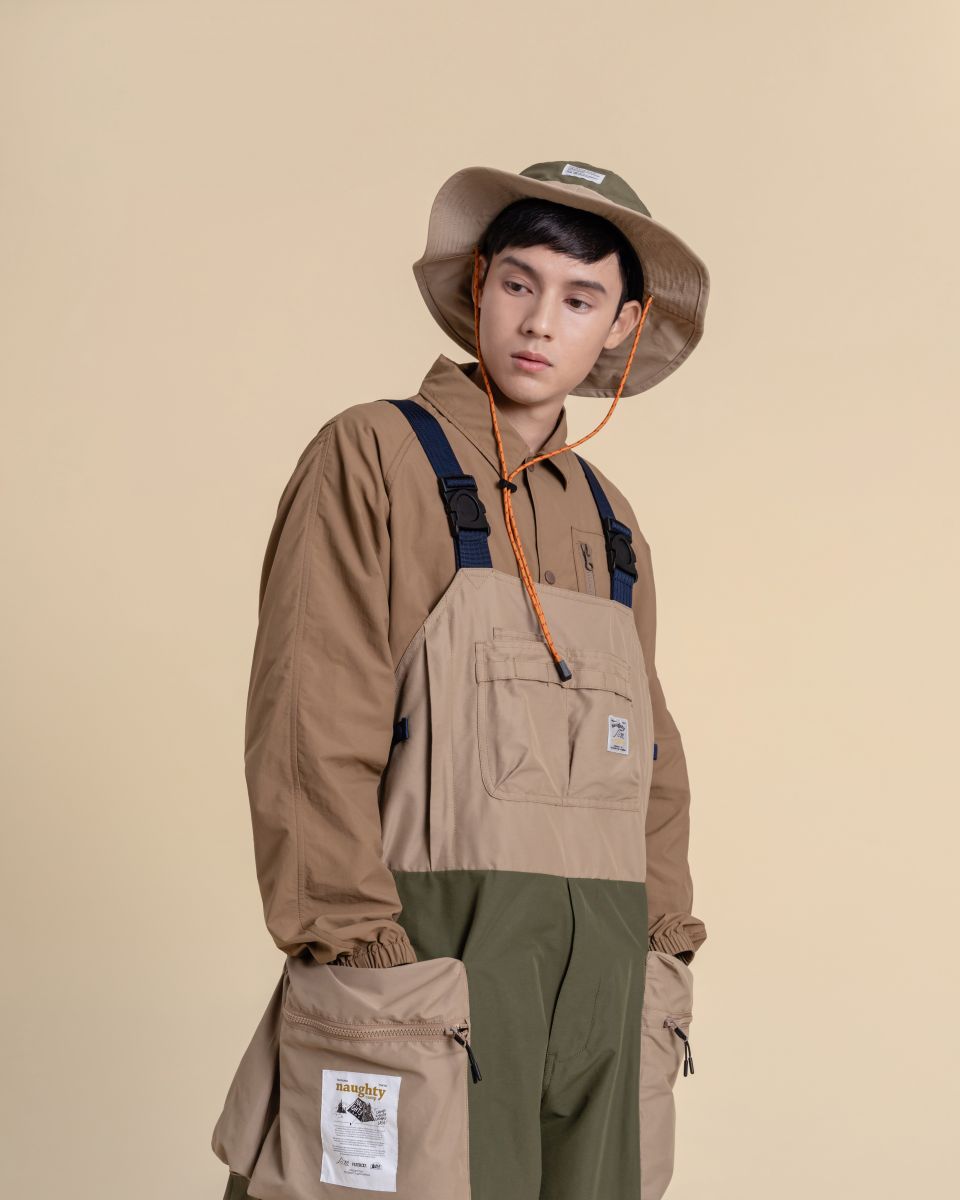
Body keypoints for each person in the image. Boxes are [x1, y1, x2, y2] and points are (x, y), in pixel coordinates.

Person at [211, 159, 710, 1200]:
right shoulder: (372, 456)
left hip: (605, 982)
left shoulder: (611, 519)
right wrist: (354, 945)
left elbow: (653, 762)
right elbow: (310, 723)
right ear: (479, 285)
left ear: (622, 325)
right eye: (519, 283)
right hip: (432, 958)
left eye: (579, 299)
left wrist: (663, 945)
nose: (539, 322)